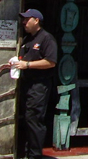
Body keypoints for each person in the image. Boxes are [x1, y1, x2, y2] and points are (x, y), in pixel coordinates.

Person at [12, 9, 58, 159]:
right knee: (27, 118)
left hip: (39, 85)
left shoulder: (46, 38)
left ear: (36, 20)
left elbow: (51, 62)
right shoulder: (27, 39)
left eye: (27, 19)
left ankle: (35, 155)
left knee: (34, 119)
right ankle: (27, 153)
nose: (24, 22)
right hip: (27, 84)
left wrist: (27, 65)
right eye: (23, 19)